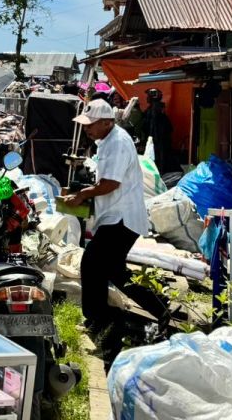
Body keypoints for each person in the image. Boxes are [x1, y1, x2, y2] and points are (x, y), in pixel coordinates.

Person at [62, 99, 149, 343]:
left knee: (92, 264)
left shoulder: (117, 142)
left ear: (107, 122)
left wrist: (83, 194)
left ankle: (97, 319)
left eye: (91, 125)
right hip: (116, 215)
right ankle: (157, 309)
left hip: (122, 216)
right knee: (112, 270)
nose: (87, 129)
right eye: (86, 124)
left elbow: (111, 183)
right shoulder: (107, 141)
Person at [140, 88, 177, 173]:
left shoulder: (154, 110)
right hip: (159, 141)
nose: (146, 98)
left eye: (148, 96)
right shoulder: (158, 109)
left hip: (156, 141)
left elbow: (151, 126)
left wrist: (150, 139)